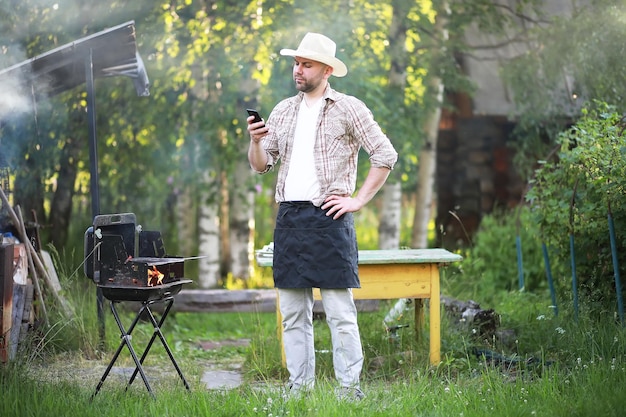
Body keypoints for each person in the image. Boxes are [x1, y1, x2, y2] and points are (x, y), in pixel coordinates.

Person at [247, 32, 398, 400]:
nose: (298, 70)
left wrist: (358, 200)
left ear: (327, 70)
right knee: (294, 316)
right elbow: (262, 166)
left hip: (330, 219)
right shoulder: (283, 110)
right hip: (289, 220)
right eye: (296, 63)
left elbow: (385, 154)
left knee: (339, 313)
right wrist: (254, 141)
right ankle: (299, 390)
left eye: (307, 64)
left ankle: (350, 391)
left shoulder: (349, 108)